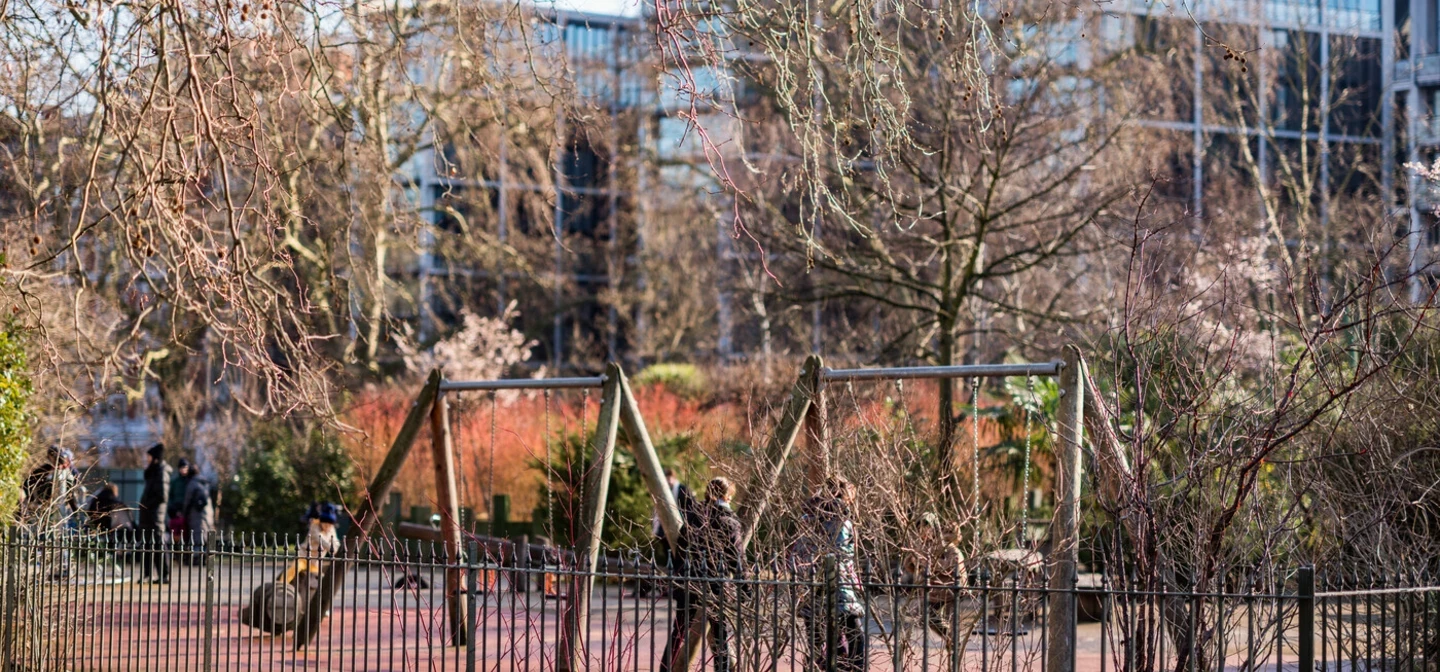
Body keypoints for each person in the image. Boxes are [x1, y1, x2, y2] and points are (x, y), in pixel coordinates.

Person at [661, 477, 745, 672]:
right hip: (716, 583)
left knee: (679, 632)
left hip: (690, 581)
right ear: (727, 496)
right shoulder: (729, 522)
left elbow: (681, 548)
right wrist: (745, 588)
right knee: (720, 635)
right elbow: (737, 558)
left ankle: (665, 669)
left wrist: (682, 573)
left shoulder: (692, 516)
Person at [793, 478, 867, 672]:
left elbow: (798, 550)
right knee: (855, 634)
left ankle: (825, 666)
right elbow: (840, 552)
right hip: (836, 582)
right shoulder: (840, 518)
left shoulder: (808, 517)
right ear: (846, 495)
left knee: (820, 638)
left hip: (812, 583)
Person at [901, 513, 967, 659]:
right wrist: (912, 559)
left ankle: (954, 645)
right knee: (926, 615)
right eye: (920, 528)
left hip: (950, 590)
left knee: (952, 620)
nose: (923, 532)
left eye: (926, 528)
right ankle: (950, 638)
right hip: (934, 592)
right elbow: (912, 567)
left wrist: (928, 563)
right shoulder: (923, 546)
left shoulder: (946, 547)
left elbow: (951, 565)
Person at [137, 443, 172, 584]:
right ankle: (148, 574)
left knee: (158, 545)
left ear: (155, 458)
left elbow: (162, 496)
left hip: (155, 516)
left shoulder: (161, 472)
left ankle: (164, 575)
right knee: (147, 546)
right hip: (148, 515)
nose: (147, 459)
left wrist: (147, 505)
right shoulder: (153, 472)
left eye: (149, 456)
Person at [182, 463, 215, 563]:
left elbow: (187, 500)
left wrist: (185, 512)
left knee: (197, 535)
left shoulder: (192, 483)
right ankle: (206, 556)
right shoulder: (205, 482)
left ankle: (198, 558)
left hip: (196, 513)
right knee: (206, 535)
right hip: (207, 512)